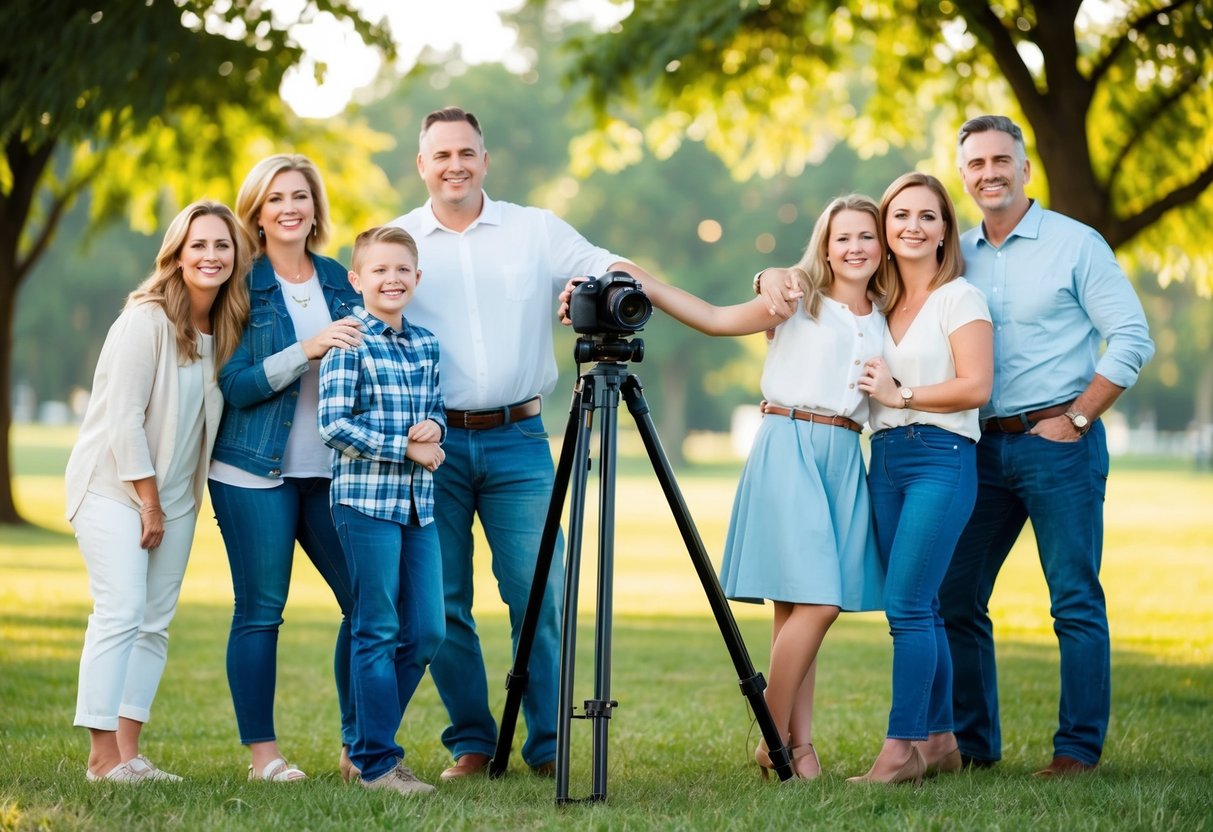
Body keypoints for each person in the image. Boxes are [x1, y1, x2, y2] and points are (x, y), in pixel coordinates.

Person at [387, 106, 668, 779]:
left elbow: (609, 265)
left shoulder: (533, 230)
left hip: (519, 439)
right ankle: (473, 744)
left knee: (540, 591)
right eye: (441, 155)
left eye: (466, 153)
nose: (454, 165)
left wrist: (599, 286)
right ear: (422, 165)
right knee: (442, 602)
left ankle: (546, 747)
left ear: (484, 160)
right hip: (433, 443)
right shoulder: (400, 239)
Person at [938, 115, 1155, 777]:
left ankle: (1076, 752)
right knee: (955, 595)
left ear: (1025, 168)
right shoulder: (956, 253)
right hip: (980, 448)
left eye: (1000, 160)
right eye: (974, 164)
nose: (988, 174)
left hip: (1059, 443)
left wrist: (1080, 417)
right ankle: (974, 745)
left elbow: (1131, 338)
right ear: (964, 174)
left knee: (1073, 598)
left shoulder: (1074, 244)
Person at [644, 195, 887, 779]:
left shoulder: (886, 313)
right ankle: (773, 737)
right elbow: (716, 318)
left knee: (796, 609)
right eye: (842, 237)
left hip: (845, 453)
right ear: (825, 246)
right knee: (820, 602)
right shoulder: (798, 300)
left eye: (866, 237)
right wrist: (646, 283)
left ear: (882, 247)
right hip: (791, 440)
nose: (855, 247)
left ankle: (800, 749)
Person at [66, 200, 251, 782]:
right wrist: (147, 501)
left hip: (174, 497)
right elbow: (123, 419)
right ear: (176, 252)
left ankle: (129, 754)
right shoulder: (143, 320)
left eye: (222, 245)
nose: (211, 255)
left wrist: (169, 503)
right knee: (120, 609)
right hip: (112, 488)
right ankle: (101, 759)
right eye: (198, 244)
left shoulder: (223, 329)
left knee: (153, 623)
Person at [208, 154, 364, 782]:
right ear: (257, 212)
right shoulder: (240, 284)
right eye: (275, 199)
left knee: (366, 605)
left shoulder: (339, 280)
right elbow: (237, 385)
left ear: (315, 207)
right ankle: (263, 757)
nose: (290, 208)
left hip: (330, 471)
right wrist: (307, 350)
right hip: (253, 473)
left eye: (300, 196)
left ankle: (361, 748)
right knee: (261, 609)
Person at [850, 172, 993, 785]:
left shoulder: (960, 298)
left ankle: (899, 750)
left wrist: (900, 392)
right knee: (920, 606)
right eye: (900, 215)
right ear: (885, 227)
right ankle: (939, 742)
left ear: (944, 231)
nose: (912, 225)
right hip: (885, 459)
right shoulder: (876, 304)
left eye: (928, 216)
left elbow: (976, 386)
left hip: (942, 457)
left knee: (908, 606)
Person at [318, 226, 447, 796]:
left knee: (425, 631)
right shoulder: (348, 340)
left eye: (402, 270)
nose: (391, 279)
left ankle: (364, 742)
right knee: (377, 627)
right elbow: (334, 425)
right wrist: (405, 445)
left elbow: (437, 408)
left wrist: (435, 429)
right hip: (365, 503)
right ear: (357, 280)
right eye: (379, 270)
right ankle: (376, 763)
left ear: (417, 278)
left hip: (419, 504)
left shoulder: (426, 344)